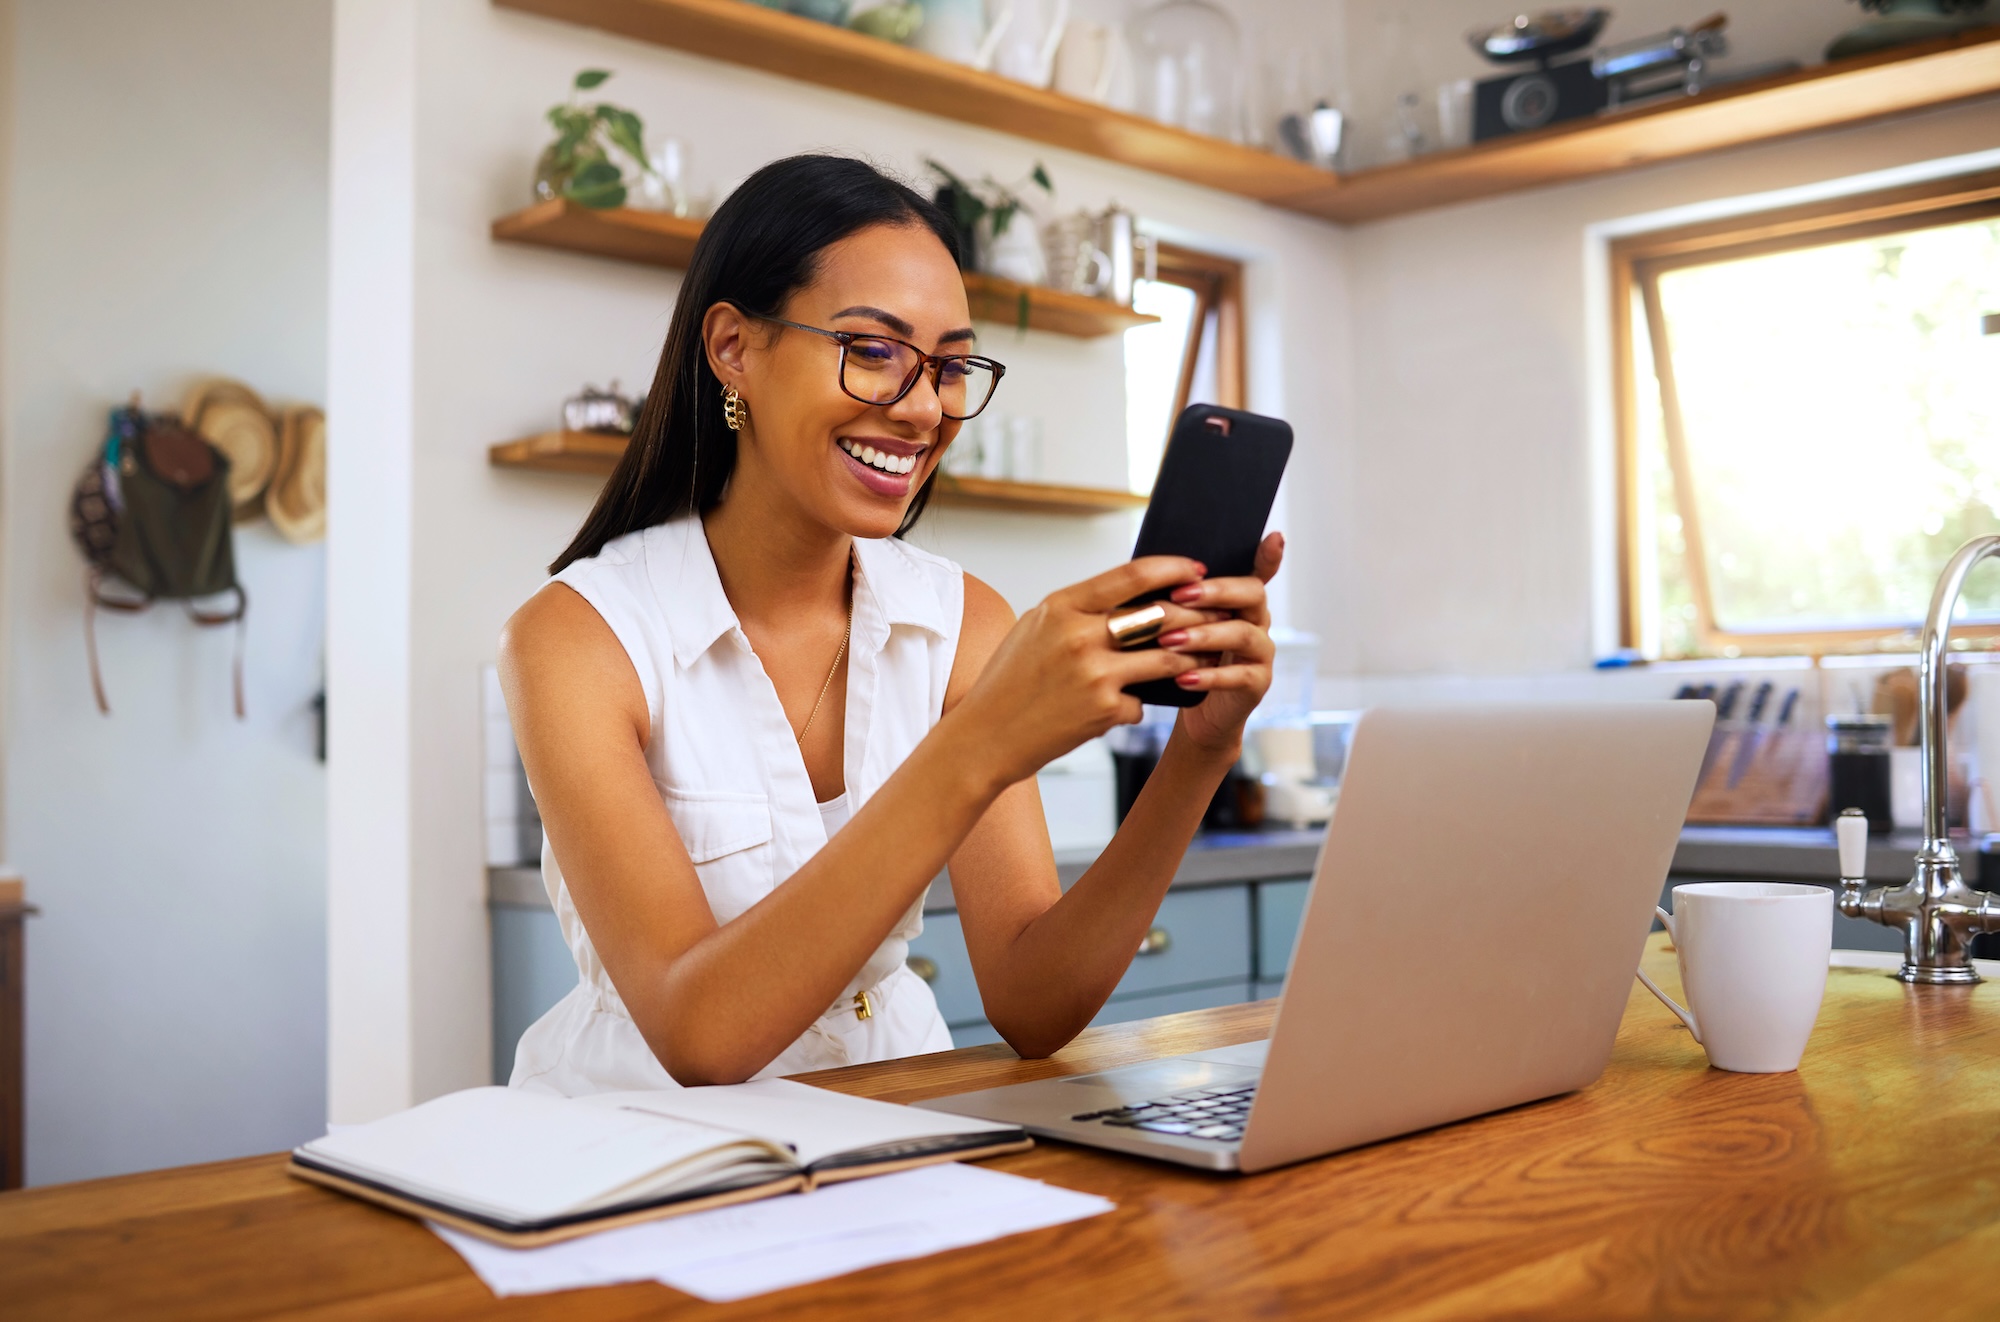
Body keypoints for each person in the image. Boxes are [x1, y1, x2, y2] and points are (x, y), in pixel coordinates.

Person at [499, 154, 1283, 1093]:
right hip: (636, 1155)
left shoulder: (962, 622)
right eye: (872, 351)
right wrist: (983, 741)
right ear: (733, 348)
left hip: (895, 1117)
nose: (921, 409)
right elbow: (698, 1036)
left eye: (949, 367)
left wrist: (1197, 754)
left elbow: (1035, 1004)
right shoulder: (576, 638)